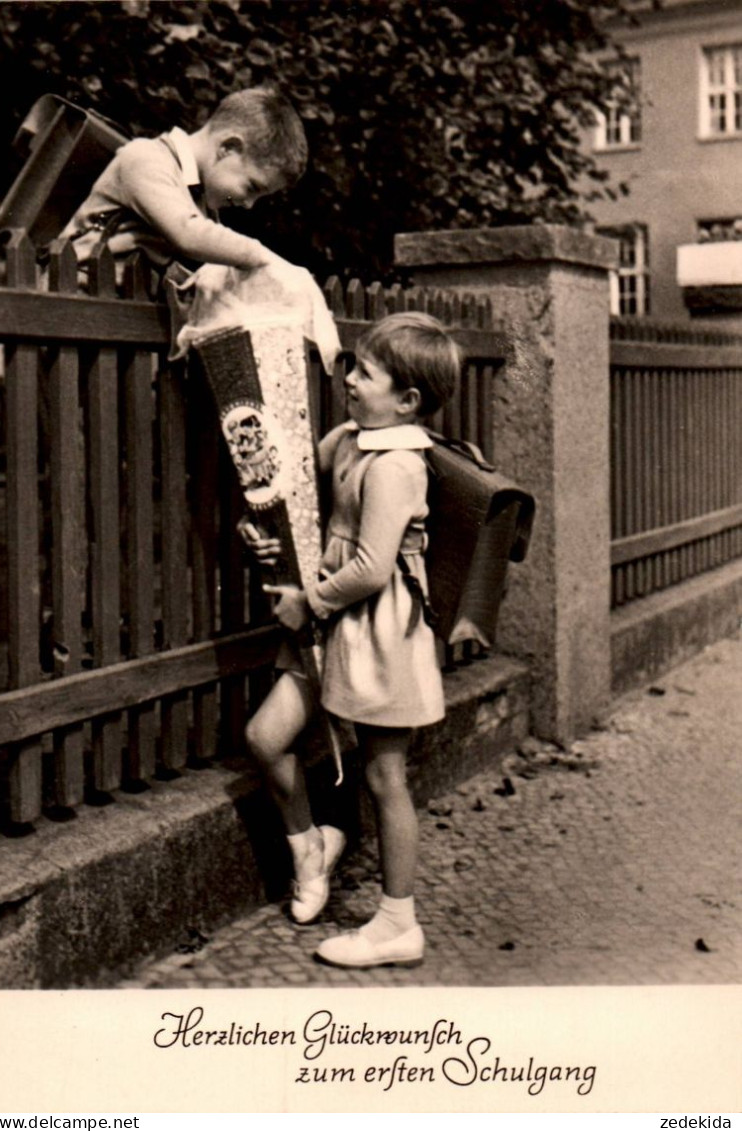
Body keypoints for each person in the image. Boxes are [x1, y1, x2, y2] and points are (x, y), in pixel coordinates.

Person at [241, 312, 463, 969]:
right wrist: (270, 535)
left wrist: (306, 601)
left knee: (384, 773)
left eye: (365, 372)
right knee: (265, 737)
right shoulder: (352, 439)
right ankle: (309, 845)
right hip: (333, 624)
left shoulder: (398, 465)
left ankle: (398, 921)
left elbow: (369, 568)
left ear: (408, 400)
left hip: (377, 630)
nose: (350, 378)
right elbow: (299, 504)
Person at [61, 85, 307, 280]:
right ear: (228, 148)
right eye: (252, 187)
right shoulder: (145, 158)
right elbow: (187, 234)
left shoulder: (199, 198)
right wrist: (264, 257)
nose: (249, 204)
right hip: (68, 304)